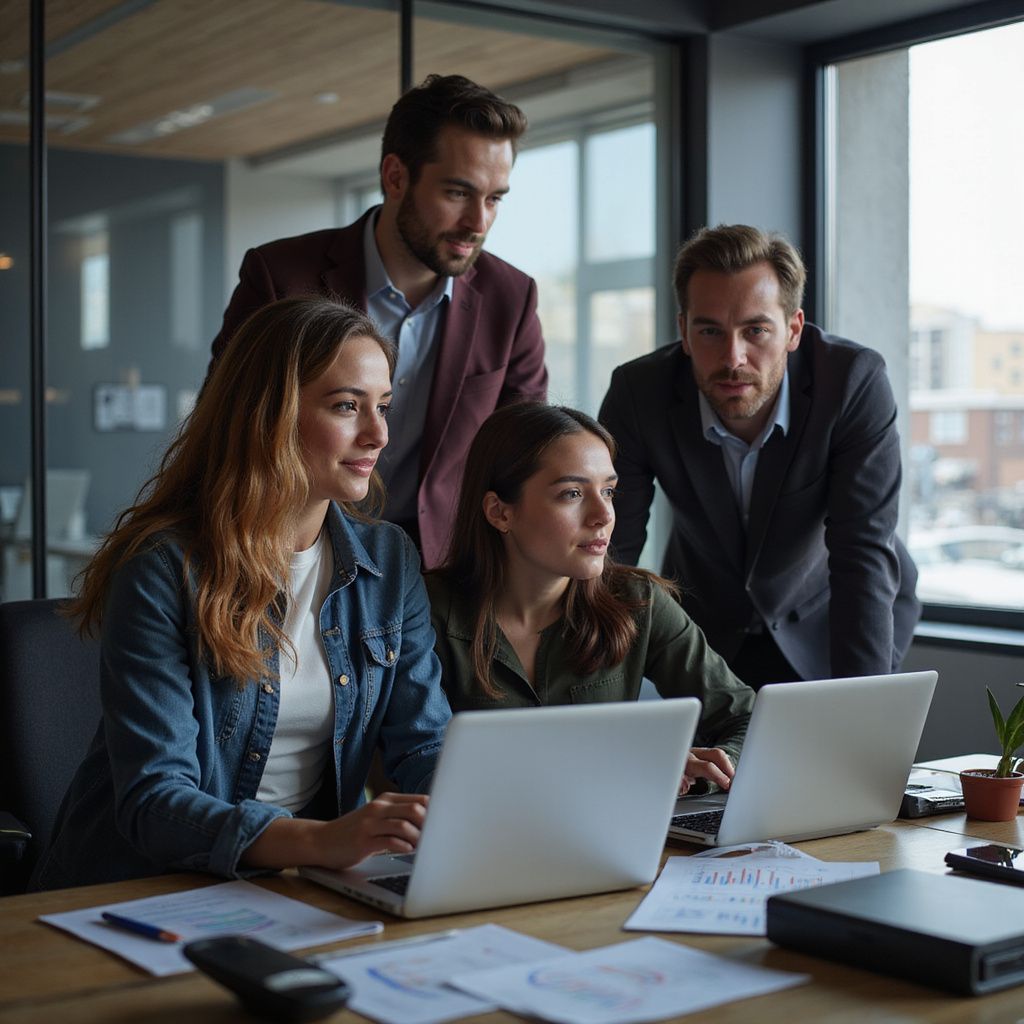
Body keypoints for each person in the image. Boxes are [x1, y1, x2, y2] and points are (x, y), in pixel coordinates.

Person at [32, 298, 451, 890]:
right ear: (270, 415)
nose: (379, 433)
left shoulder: (390, 560)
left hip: (300, 884)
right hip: (140, 886)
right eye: (346, 406)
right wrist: (323, 840)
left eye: (383, 405)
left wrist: (472, 809)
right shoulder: (164, 568)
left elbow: (423, 743)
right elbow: (155, 800)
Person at [210, 74, 547, 568]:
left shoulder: (510, 297)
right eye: (458, 193)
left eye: (494, 198)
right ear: (395, 177)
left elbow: (526, 451)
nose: (478, 223)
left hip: (443, 565)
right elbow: (227, 425)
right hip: (292, 551)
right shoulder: (282, 275)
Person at [599, 224, 920, 689]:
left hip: (832, 620)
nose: (733, 357)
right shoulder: (638, 393)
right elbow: (610, 555)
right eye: (710, 330)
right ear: (683, 332)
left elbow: (862, 553)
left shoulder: (852, 382)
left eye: (756, 330)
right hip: (706, 632)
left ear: (793, 329)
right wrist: (595, 710)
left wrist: (858, 711)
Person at [426, 402, 755, 793]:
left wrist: (709, 772)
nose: (603, 515)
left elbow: (747, 719)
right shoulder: (426, 612)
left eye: (609, 491)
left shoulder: (638, 601)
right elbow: (417, 763)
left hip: (619, 837)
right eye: (572, 493)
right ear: (500, 512)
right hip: (479, 845)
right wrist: (629, 764)